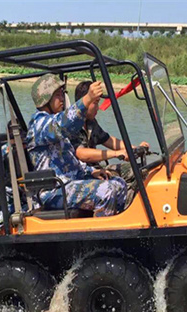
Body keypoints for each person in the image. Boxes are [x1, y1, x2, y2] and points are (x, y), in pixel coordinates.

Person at [26, 73, 127, 217]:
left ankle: (116, 224)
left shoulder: (57, 128)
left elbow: (71, 161)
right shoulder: (40, 125)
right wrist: (88, 98)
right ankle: (102, 229)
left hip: (69, 183)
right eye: (57, 95)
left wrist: (91, 171)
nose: (62, 99)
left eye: (62, 94)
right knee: (106, 190)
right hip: (53, 191)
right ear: (46, 99)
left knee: (119, 184)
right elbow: (63, 123)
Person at [73, 81, 149, 205]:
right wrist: (115, 154)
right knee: (121, 182)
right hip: (83, 174)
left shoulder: (91, 122)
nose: (98, 108)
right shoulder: (73, 125)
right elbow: (81, 154)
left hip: (97, 169)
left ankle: (132, 206)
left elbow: (110, 141)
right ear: (85, 101)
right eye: (95, 103)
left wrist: (134, 149)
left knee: (141, 170)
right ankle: (125, 208)